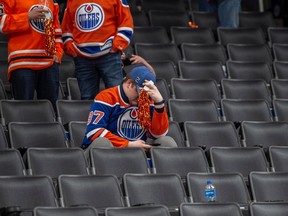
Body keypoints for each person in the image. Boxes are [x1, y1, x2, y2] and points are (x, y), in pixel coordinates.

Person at [82, 65, 177, 157]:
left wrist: (159, 104)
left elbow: (157, 134)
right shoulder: (107, 97)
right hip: (111, 149)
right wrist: (128, 144)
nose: (141, 98)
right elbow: (94, 131)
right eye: (140, 93)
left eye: (145, 94)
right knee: (102, 143)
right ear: (129, 84)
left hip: (138, 150)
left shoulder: (147, 100)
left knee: (167, 142)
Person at [61, 0, 134, 100]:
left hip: (109, 56)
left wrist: (116, 46)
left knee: (117, 98)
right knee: (87, 99)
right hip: (82, 59)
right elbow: (66, 30)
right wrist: (72, 50)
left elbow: (126, 24)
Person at [0, 0, 63, 109]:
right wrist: (27, 16)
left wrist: (57, 52)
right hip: (22, 62)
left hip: (49, 63)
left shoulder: (51, 1)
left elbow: (54, 29)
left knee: (50, 111)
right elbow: (2, 23)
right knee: (23, 110)